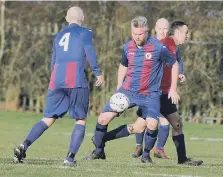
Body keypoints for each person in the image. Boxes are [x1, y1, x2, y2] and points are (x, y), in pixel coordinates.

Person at [13, 6, 103, 167]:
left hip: (56, 79)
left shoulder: (58, 35)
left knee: (48, 118)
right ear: (82, 18)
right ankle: (69, 158)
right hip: (75, 78)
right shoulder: (85, 32)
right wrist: (97, 72)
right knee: (80, 119)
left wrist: (54, 80)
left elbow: (53, 61)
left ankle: (24, 145)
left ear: (68, 19)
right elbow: (89, 51)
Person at [84, 16, 179, 163]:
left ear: (147, 31)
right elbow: (123, 65)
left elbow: (174, 64)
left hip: (150, 94)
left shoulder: (158, 48)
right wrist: (118, 87)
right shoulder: (127, 47)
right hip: (128, 91)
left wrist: (173, 89)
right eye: (134, 34)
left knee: (152, 124)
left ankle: (146, 156)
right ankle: (99, 151)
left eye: (140, 34)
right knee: (102, 118)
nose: (137, 37)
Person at [134, 20, 203, 165]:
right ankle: (101, 141)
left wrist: (177, 76)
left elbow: (173, 65)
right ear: (177, 33)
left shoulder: (174, 47)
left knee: (176, 123)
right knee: (138, 126)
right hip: (154, 93)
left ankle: (182, 159)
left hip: (164, 93)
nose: (188, 35)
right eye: (186, 32)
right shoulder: (162, 43)